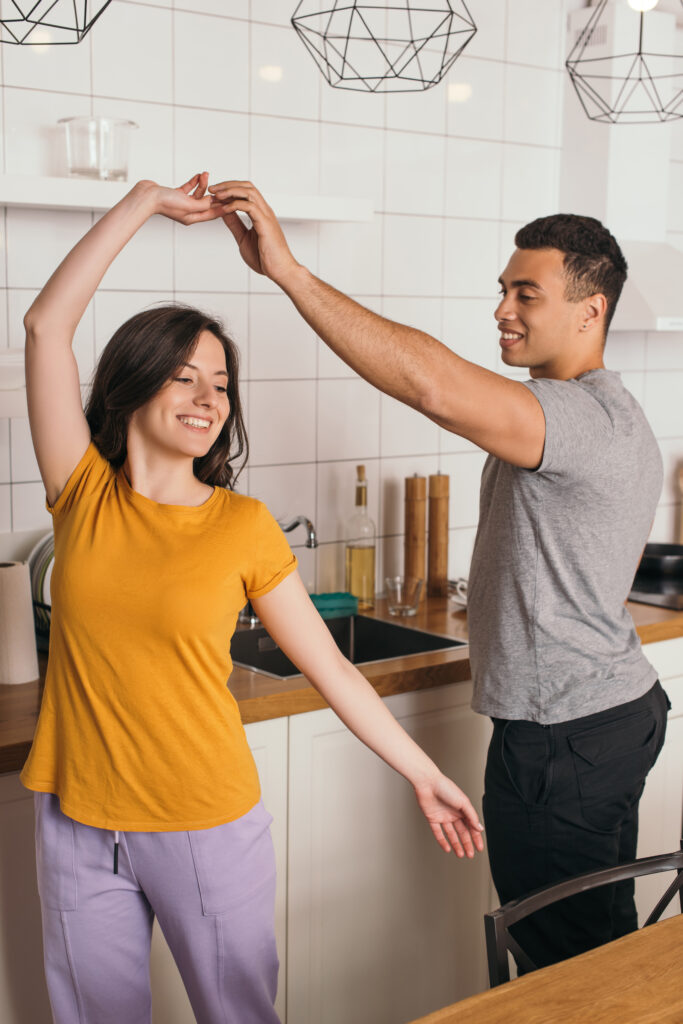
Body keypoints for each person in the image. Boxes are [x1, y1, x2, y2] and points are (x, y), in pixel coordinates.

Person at [20, 173, 484, 1024]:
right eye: (186, 378)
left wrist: (423, 775)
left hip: (203, 822)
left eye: (221, 384)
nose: (208, 399)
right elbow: (46, 325)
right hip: (78, 820)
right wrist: (145, 202)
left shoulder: (242, 526)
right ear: (133, 383)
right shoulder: (81, 493)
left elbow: (333, 671)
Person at [209, 179, 670, 968]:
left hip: (561, 736)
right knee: (595, 950)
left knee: (562, 967)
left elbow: (429, 382)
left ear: (589, 311)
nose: (502, 309)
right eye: (502, 289)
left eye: (526, 293)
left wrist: (288, 272)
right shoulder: (594, 413)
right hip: (605, 716)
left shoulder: (577, 419)